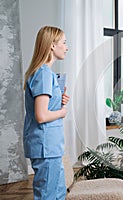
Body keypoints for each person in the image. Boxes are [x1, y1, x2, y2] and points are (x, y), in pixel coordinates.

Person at [23, 26, 70, 200]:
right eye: (64, 43)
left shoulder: (46, 74)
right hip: (45, 147)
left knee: (57, 194)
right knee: (48, 196)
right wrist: (62, 112)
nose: (66, 47)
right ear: (52, 45)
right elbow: (41, 115)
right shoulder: (43, 74)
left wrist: (59, 102)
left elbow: (46, 107)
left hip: (51, 146)